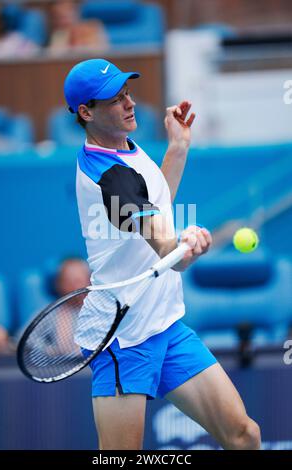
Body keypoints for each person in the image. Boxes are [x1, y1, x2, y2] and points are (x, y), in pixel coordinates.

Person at [63, 59, 261, 450]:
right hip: (124, 337)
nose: (129, 104)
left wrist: (178, 146)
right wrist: (186, 245)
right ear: (86, 112)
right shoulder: (110, 179)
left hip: (164, 326)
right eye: (115, 100)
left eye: (127, 94)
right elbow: (168, 250)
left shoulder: (125, 152)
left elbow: (158, 204)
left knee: (244, 436)